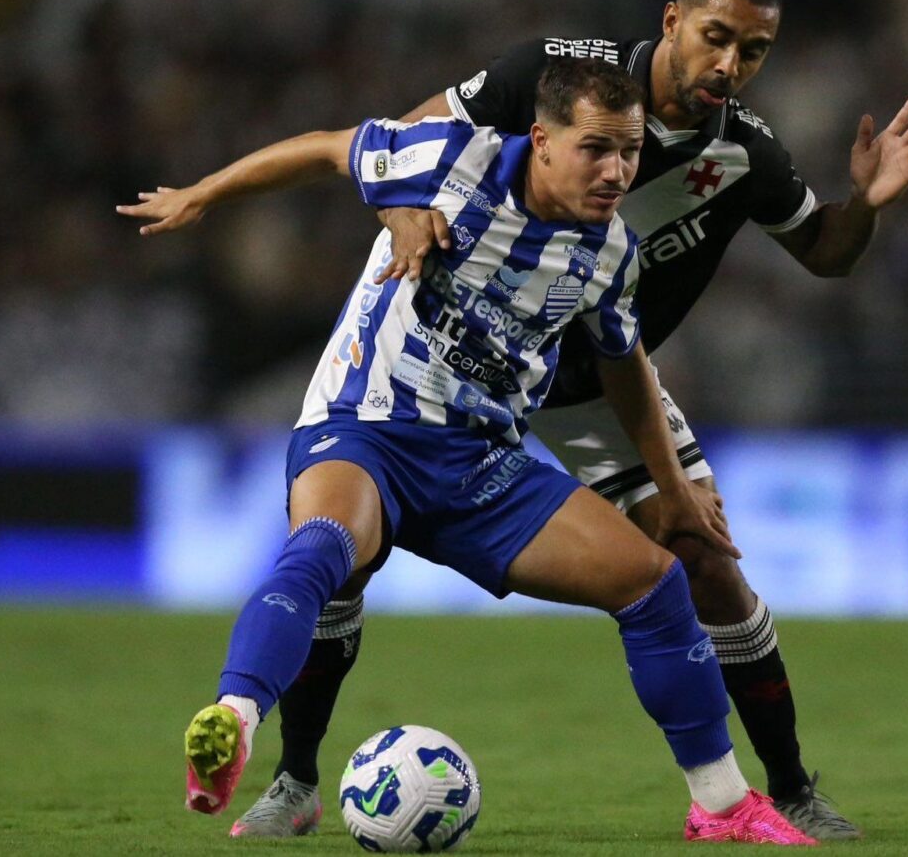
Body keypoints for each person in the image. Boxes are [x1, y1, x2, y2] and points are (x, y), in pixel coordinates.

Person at [241, 0, 908, 841]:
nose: (729, 64)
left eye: (753, 50)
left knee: (706, 564)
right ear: (673, 20)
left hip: (602, 380)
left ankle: (788, 788)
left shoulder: (746, 153)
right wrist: (399, 210)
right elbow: (403, 139)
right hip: (461, 358)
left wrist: (868, 204)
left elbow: (826, 251)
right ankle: (295, 779)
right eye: (716, 37)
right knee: (347, 553)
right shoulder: (551, 75)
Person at [119, 58, 817, 846]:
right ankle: (239, 723)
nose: (616, 171)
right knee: (324, 551)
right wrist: (203, 194)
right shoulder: (454, 156)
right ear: (542, 141)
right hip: (367, 425)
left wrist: (673, 487)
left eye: (629, 152)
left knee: (654, 583)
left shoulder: (611, 251)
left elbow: (624, 363)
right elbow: (328, 148)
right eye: (596, 149)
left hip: (481, 461)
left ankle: (721, 806)